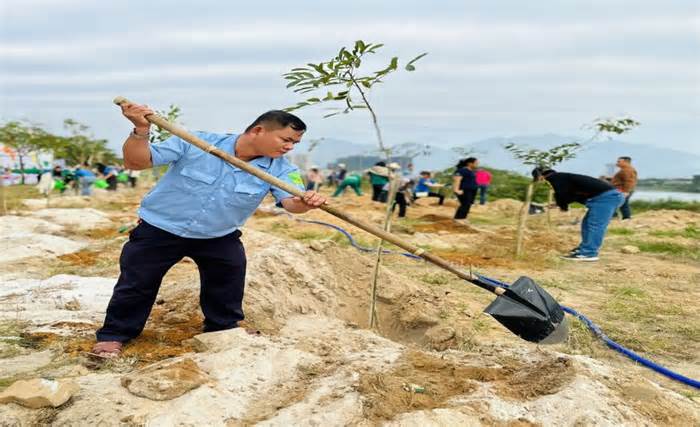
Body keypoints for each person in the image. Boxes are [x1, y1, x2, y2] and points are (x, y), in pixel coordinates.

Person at [90, 103, 325, 358]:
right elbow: (136, 162)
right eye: (286, 139)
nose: (289, 147)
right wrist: (141, 130)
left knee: (227, 281)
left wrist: (305, 202)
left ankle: (222, 329)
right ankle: (114, 335)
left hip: (218, 235)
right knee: (137, 284)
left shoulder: (282, 169)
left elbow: (292, 203)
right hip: (160, 228)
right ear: (258, 130)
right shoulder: (195, 142)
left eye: (295, 143)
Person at [533, 168, 624, 262]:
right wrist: (558, 204)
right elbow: (572, 195)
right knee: (587, 224)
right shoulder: (563, 177)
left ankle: (588, 253)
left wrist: (563, 207)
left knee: (595, 225)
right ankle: (584, 249)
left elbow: (561, 194)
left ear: (541, 176)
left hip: (607, 198)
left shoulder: (556, 179)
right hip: (605, 198)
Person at [452, 157, 479, 222]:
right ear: (470, 163)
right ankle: (459, 219)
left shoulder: (471, 171)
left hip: (471, 191)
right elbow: (457, 180)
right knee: (465, 204)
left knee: (468, 205)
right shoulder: (462, 170)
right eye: (476, 163)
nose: (477, 164)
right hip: (463, 190)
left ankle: (462, 218)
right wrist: (456, 190)